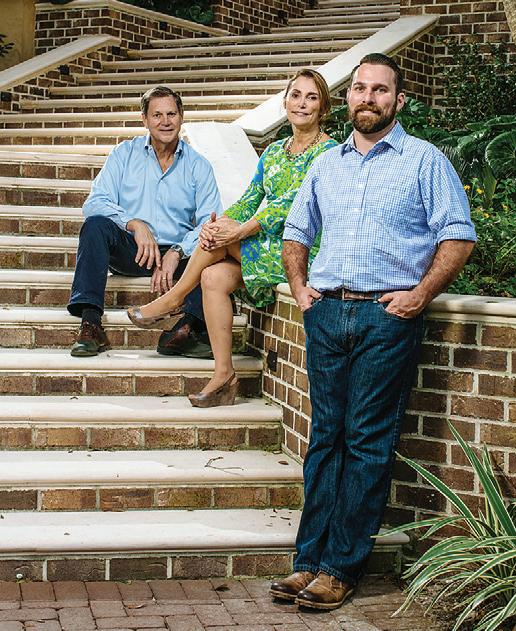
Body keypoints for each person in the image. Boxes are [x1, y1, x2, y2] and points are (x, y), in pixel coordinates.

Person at [271, 53, 477, 610]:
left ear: (398, 100)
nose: (368, 97)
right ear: (349, 96)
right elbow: (296, 229)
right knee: (325, 437)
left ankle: (340, 568)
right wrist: (300, 287)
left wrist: (419, 294)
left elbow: (458, 234)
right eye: (360, 88)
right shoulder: (327, 163)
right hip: (327, 314)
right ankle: (307, 561)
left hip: (386, 320)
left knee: (365, 441)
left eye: (380, 90)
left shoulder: (424, 160)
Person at [127, 69, 338, 407]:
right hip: (266, 246)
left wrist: (239, 231)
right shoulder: (273, 152)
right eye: (296, 95)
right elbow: (249, 199)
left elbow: (293, 205)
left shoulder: (329, 153)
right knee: (212, 276)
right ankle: (224, 376)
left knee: (221, 241)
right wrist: (220, 222)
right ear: (285, 101)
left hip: (302, 253)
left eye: (311, 97)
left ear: (323, 106)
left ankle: (174, 299)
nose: (301, 103)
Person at [67, 85, 221, 358]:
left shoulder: (199, 165)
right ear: (145, 119)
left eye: (171, 114)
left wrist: (178, 251)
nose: (165, 122)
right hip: (133, 251)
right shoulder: (124, 154)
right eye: (157, 115)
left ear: (181, 116)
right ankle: (91, 323)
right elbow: (94, 202)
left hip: (178, 259)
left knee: (213, 248)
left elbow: (209, 220)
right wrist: (134, 224)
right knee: (95, 226)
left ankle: (185, 331)